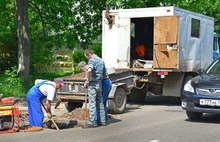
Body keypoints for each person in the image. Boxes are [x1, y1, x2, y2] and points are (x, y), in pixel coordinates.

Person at [78, 61, 112, 125]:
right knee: (100, 102)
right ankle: (102, 120)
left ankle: (98, 120)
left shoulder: (90, 69)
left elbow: (91, 78)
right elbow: (87, 79)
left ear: (83, 66)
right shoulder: (88, 70)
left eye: (81, 69)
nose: (81, 70)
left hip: (104, 83)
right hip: (102, 83)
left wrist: (88, 83)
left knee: (101, 102)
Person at [81, 48, 107, 128]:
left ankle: (91, 122)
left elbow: (89, 71)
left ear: (88, 54)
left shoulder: (92, 60)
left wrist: (88, 81)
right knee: (100, 102)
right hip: (99, 84)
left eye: (86, 57)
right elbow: (105, 74)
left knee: (92, 103)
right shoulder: (101, 60)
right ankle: (103, 121)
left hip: (93, 84)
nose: (87, 59)